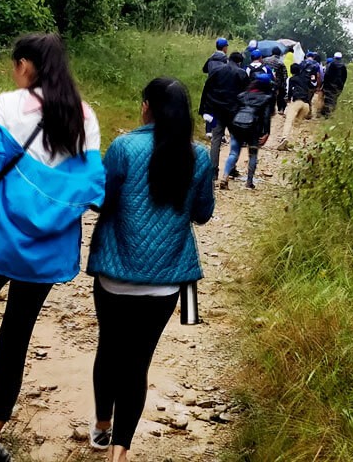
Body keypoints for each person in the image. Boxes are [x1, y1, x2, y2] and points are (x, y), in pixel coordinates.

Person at [0, 33, 106, 462]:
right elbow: (94, 187)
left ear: (26, 65)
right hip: (47, 250)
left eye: (15, 64)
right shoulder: (86, 117)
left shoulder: (8, 105)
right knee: (16, 338)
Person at [85, 78, 215, 462]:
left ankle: (103, 427)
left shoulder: (124, 147)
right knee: (138, 362)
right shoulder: (199, 156)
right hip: (164, 283)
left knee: (109, 349)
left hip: (115, 274)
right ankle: (120, 453)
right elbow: (203, 214)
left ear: (146, 107)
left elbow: (99, 202)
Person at [200, 51, 250, 181]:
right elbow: (247, 95)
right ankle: (230, 169)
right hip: (234, 112)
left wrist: (204, 109)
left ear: (228, 59)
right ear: (239, 62)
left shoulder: (217, 71)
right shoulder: (242, 73)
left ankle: (213, 171)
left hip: (217, 111)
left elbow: (207, 89)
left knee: (216, 140)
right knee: (235, 141)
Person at [221, 72, 274, 190]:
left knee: (234, 152)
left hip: (237, 126)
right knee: (253, 154)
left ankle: (224, 176)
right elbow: (266, 117)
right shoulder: (266, 98)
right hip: (253, 129)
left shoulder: (242, 95)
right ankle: (249, 182)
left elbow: (233, 111)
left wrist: (231, 127)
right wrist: (266, 133)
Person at [280, 61, 316, 147]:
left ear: (291, 71)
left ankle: (284, 138)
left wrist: (288, 100)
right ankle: (292, 142)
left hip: (297, 102)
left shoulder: (292, 79)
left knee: (289, 120)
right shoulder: (306, 78)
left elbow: (289, 91)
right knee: (297, 123)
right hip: (306, 105)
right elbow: (313, 85)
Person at [321, 52, 349, 118]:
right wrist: (342, 84)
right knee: (334, 98)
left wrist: (325, 83)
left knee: (328, 98)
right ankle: (331, 112)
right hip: (339, 85)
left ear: (334, 57)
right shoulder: (343, 66)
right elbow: (344, 77)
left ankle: (326, 113)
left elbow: (327, 75)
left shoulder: (331, 64)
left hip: (329, 84)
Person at [264, 47, 288, 115]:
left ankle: (268, 109)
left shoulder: (265, 60)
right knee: (281, 95)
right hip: (278, 82)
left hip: (266, 80)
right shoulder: (281, 62)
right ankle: (280, 109)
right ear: (279, 54)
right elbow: (285, 75)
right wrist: (284, 85)